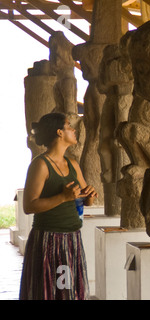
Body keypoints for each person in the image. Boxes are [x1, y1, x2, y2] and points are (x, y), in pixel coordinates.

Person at [19, 112, 97, 300]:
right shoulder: (40, 164)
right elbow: (29, 205)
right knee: (49, 293)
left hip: (72, 240)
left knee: (68, 292)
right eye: (69, 126)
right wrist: (63, 197)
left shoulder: (72, 164)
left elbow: (83, 200)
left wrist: (90, 196)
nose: (74, 129)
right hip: (49, 241)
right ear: (59, 132)